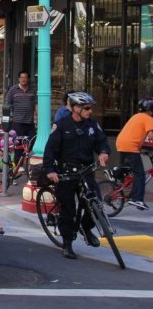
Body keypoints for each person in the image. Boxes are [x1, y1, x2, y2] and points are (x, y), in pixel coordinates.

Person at [43, 92, 110, 260]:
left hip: (86, 172)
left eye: (90, 108)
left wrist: (103, 152)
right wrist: (50, 170)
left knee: (96, 204)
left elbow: (102, 142)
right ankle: (67, 243)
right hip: (66, 174)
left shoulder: (92, 126)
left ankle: (86, 228)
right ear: (75, 108)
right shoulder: (61, 125)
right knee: (68, 210)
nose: (90, 111)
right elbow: (50, 150)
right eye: (87, 108)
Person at [114, 98, 153, 210]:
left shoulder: (136, 116)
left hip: (121, 144)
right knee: (139, 174)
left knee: (130, 169)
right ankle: (137, 199)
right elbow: (151, 135)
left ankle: (116, 172)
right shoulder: (148, 118)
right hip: (131, 147)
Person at [4, 71, 36, 167]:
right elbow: (7, 103)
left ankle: (25, 160)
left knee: (32, 141)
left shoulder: (32, 90)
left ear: (28, 79)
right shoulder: (13, 90)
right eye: (21, 77)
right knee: (18, 145)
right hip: (17, 122)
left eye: (25, 77)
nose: (23, 79)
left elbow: (36, 104)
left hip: (30, 122)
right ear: (19, 79)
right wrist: (10, 116)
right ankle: (18, 166)